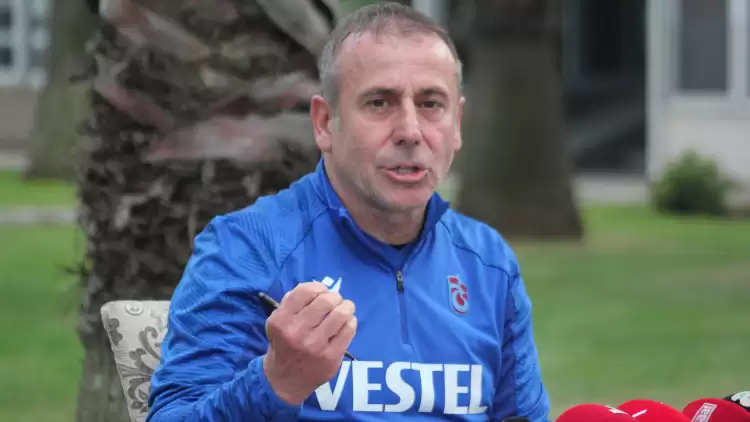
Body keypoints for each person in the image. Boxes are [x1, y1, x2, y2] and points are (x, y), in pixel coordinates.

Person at [146, 3, 551, 421]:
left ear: (458, 123)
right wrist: (275, 384)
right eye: (379, 103)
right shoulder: (246, 250)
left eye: (431, 104)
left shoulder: (488, 263)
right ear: (325, 123)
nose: (410, 131)